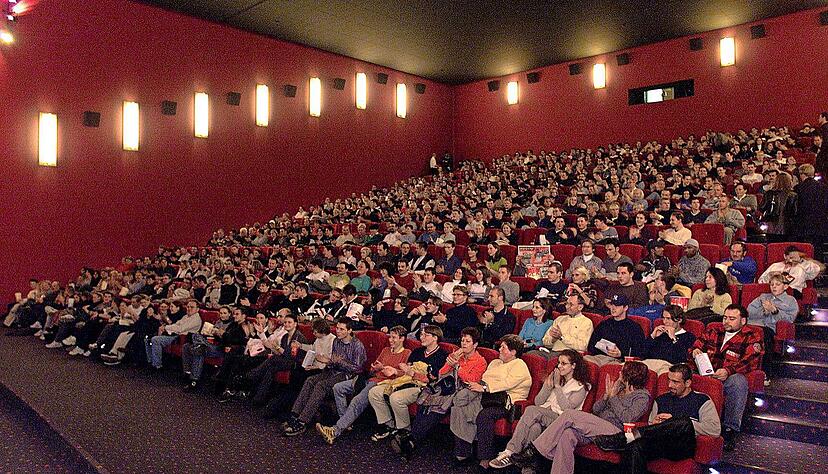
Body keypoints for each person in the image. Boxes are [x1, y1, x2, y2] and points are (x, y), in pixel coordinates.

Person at [514, 361, 652, 474]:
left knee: (569, 414)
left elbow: (626, 417)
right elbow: (596, 410)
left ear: (631, 375)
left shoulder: (642, 396)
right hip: (597, 427)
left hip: (616, 433)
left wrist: (613, 397)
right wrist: (606, 397)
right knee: (567, 434)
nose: (620, 373)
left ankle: (535, 452)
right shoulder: (619, 390)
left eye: (623, 371)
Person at [592, 363, 721, 474]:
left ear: (688, 383)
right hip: (659, 443)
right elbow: (650, 426)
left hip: (682, 445)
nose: (670, 385)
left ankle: (623, 438)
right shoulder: (661, 400)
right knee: (634, 446)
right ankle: (627, 439)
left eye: (675, 382)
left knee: (683, 422)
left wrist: (673, 421)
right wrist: (655, 423)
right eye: (669, 380)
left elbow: (714, 429)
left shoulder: (702, 400)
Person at [489, 350, 591, 470]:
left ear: (573, 366)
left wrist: (557, 386)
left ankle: (510, 451)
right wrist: (547, 387)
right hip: (543, 416)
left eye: (564, 363)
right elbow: (538, 402)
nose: (559, 366)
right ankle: (527, 469)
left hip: (561, 422)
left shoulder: (581, 386)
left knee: (531, 410)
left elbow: (567, 408)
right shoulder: (557, 379)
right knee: (534, 428)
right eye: (558, 363)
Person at [394, 327, 486, 458]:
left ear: (475, 344)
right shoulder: (457, 356)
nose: (464, 344)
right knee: (426, 398)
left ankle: (411, 440)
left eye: (468, 341)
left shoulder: (480, 361)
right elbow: (441, 373)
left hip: (462, 392)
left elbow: (472, 380)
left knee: (438, 407)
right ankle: (411, 440)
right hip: (446, 387)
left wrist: (457, 367)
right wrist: (452, 360)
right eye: (462, 340)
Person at [315, 326, 411, 444]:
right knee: (338, 388)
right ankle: (345, 422)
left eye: (394, 338)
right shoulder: (385, 350)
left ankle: (335, 431)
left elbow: (404, 375)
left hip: (380, 383)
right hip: (370, 379)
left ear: (402, 339)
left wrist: (390, 370)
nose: (390, 340)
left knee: (357, 401)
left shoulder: (406, 353)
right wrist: (376, 369)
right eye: (390, 337)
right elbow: (372, 370)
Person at [451, 334, 532, 470]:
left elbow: (507, 384)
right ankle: (463, 452)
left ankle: (485, 458)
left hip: (507, 402)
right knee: (460, 407)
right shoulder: (495, 362)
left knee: (484, 415)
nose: (499, 349)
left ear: (513, 352)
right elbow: (485, 379)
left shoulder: (519, 365)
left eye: (503, 348)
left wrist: (484, 388)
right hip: (488, 397)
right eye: (500, 346)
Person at [692, 304, 763, 451]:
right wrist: (695, 350)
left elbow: (751, 361)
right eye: (725, 318)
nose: (726, 322)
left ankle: (730, 429)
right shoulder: (713, 329)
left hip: (729, 377)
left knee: (739, 382)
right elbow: (697, 345)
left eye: (732, 319)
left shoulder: (752, 335)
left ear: (743, 321)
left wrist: (728, 371)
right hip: (705, 374)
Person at [282, 318, 367, 436]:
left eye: (342, 329)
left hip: (348, 375)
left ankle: (303, 421)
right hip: (333, 370)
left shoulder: (357, 345)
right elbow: (333, 362)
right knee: (310, 380)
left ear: (349, 330)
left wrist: (338, 362)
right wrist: (328, 361)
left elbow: (358, 368)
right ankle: (295, 414)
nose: (338, 331)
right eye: (337, 328)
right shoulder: (337, 341)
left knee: (321, 385)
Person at [367, 325, 448, 441]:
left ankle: (404, 430)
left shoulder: (442, 356)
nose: (422, 337)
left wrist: (412, 373)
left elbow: (433, 379)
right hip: (405, 381)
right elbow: (406, 372)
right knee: (374, 392)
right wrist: (399, 371)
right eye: (421, 335)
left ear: (435, 338)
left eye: (426, 335)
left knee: (396, 398)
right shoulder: (417, 352)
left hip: (423, 387)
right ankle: (389, 425)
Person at [181, 305, 247, 391]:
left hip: (225, 350)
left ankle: (193, 380)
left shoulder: (244, 326)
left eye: (237, 314)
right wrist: (217, 334)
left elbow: (238, 341)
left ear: (244, 316)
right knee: (197, 346)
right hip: (219, 346)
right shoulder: (233, 325)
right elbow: (223, 339)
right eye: (234, 314)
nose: (234, 316)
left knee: (196, 339)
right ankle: (193, 380)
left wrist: (223, 334)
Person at [747, 273, 798, 376]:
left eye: (777, 284)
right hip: (753, 325)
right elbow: (749, 311)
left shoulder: (790, 301)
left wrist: (775, 311)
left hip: (768, 328)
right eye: (772, 284)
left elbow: (790, 319)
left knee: (764, 336)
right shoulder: (763, 297)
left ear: (785, 286)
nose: (774, 286)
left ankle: (765, 373)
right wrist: (764, 311)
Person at [585, 294, 645, 366]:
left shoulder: (634, 327)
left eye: (617, 305)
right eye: (612, 305)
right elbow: (591, 345)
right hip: (599, 358)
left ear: (625, 308)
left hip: (619, 361)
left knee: (613, 367)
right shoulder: (604, 324)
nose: (613, 308)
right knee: (583, 360)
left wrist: (621, 354)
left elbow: (640, 352)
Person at [145, 300, 202, 370]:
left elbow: (180, 328)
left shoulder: (196, 319)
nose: (189, 308)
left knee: (155, 339)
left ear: (197, 309)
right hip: (174, 334)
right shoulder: (186, 316)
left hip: (182, 338)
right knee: (149, 338)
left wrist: (166, 327)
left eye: (192, 307)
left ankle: (157, 365)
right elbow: (176, 324)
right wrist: (167, 327)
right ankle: (151, 362)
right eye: (188, 307)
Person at [640, 305, 696, 374]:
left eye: (668, 318)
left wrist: (674, 339)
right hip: (649, 364)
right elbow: (642, 354)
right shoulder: (660, 334)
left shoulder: (688, 337)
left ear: (679, 320)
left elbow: (681, 358)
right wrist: (652, 337)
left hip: (668, 368)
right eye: (663, 318)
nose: (664, 322)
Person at [758, 245, 824, 297]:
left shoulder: (804, 267)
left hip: (793, 294)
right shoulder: (775, 266)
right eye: (791, 258)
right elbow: (760, 281)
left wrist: (802, 261)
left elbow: (821, 269)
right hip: (774, 293)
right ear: (785, 256)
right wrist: (770, 275)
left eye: (795, 258)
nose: (792, 261)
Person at [793, 164, 828, 258]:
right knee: (818, 250)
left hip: (803, 224)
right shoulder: (824, 187)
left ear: (802, 174)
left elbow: (796, 208)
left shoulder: (798, 188)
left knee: (805, 250)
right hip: (820, 223)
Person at [758, 171, 798, 242]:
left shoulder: (769, 193)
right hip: (787, 226)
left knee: (772, 247)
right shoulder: (793, 195)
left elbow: (761, 208)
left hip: (771, 226)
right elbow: (795, 212)